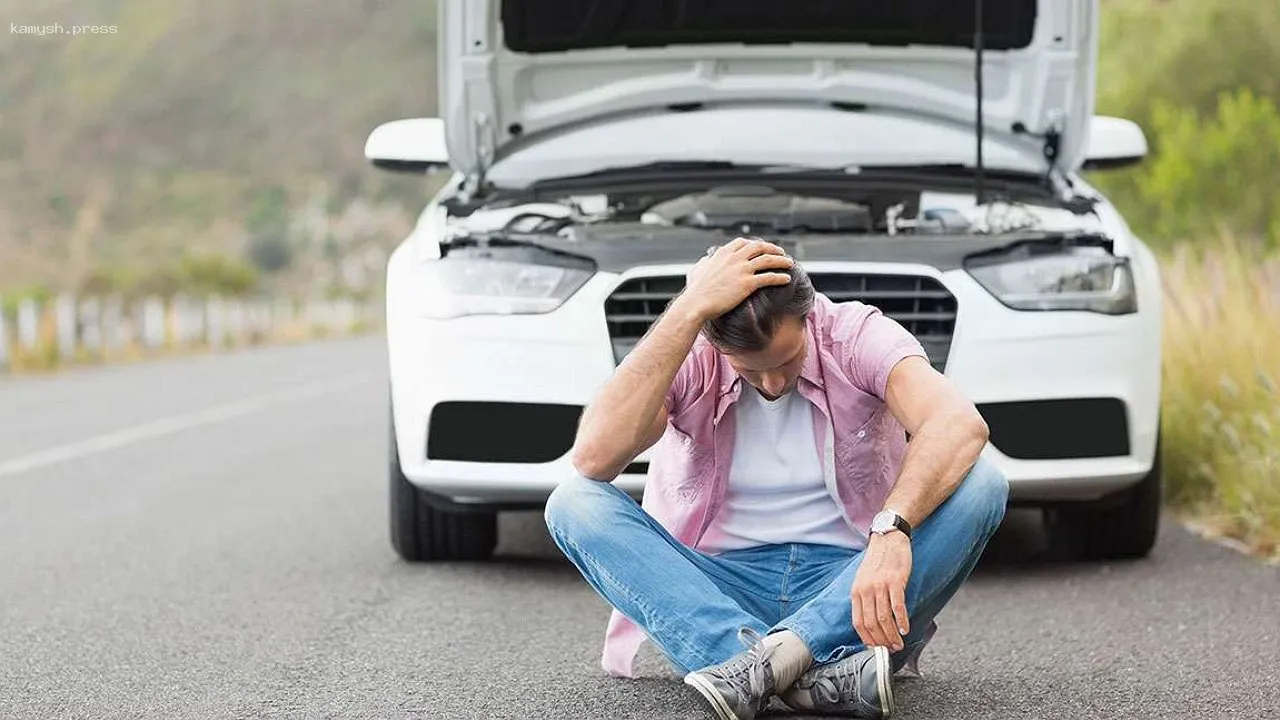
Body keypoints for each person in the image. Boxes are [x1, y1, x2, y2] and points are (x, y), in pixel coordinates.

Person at [545, 236, 1008, 720]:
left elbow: (958, 423)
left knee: (983, 485)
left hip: (850, 585)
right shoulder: (690, 350)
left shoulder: (855, 335)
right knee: (574, 503)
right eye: (748, 369)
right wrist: (686, 311)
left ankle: (752, 669)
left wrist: (892, 529)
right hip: (720, 590)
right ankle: (810, 675)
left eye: (785, 361)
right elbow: (595, 457)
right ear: (714, 340)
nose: (771, 384)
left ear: (809, 317)